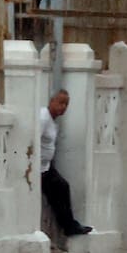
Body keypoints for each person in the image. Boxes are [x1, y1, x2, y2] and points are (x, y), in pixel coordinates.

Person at [40, 89, 92, 236]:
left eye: (66, 104)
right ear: (51, 102)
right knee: (59, 190)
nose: (63, 107)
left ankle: (70, 226)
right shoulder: (43, 118)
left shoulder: (51, 120)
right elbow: (33, 140)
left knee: (63, 188)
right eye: (60, 102)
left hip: (46, 167)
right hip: (39, 169)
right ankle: (69, 227)